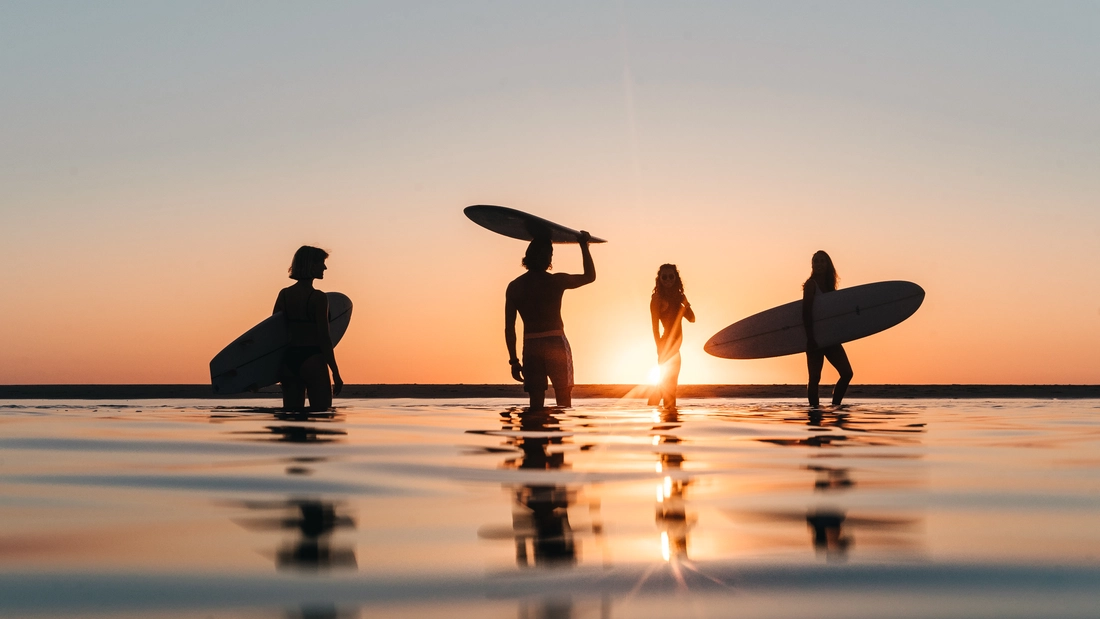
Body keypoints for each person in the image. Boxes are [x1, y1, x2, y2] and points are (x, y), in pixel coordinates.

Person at [505, 232, 595, 410]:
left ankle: (533, 435)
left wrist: (514, 361)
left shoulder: (515, 286)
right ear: (547, 257)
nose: (551, 257)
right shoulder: (556, 281)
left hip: (531, 346)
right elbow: (589, 276)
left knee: (535, 406)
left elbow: (509, 328)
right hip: (556, 343)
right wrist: (584, 245)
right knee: (563, 401)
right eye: (551, 253)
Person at [274, 246, 343, 411]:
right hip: (312, 358)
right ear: (311, 265)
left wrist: (268, 373)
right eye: (321, 263)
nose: (325, 268)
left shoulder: (284, 294)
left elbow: (274, 334)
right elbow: (324, 338)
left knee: (291, 422)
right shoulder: (319, 298)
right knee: (322, 416)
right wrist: (336, 373)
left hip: (288, 361)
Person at [802, 250, 853, 408]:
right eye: (816, 261)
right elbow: (806, 312)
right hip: (815, 338)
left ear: (828, 264)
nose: (819, 264)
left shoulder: (831, 288)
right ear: (812, 265)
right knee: (815, 378)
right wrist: (810, 338)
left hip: (830, 338)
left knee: (846, 373)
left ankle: (835, 407)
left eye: (822, 261)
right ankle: (814, 413)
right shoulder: (811, 285)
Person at [649, 264, 695, 409]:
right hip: (666, 346)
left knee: (668, 387)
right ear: (660, 279)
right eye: (664, 277)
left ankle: (664, 418)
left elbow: (692, 318)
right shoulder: (657, 299)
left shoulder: (679, 297)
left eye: (671, 276)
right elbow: (655, 328)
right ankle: (667, 421)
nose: (668, 279)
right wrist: (659, 349)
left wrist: (686, 303)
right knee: (668, 387)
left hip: (676, 348)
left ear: (676, 278)